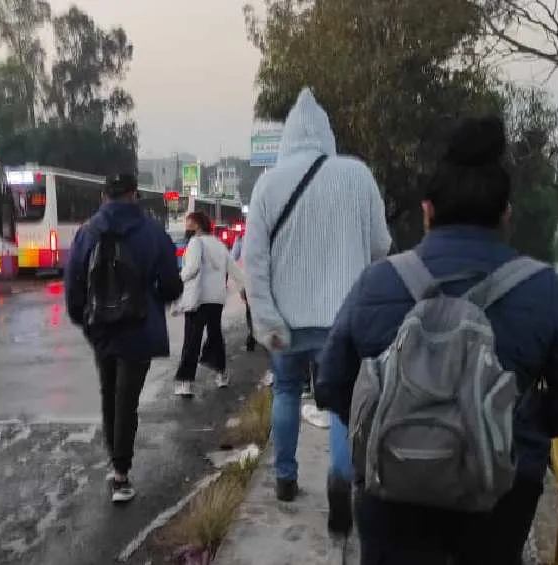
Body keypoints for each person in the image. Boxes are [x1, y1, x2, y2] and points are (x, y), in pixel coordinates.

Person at [316, 116, 558, 565]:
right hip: (500, 497)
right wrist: (520, 425)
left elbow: (329, 384)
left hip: (391, 489)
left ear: (427, 211)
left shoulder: (377, 284)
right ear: (506, 213)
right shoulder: (547, 293)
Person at [243, 87, 392, 544]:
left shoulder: (268, 183)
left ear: (287, 137)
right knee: (343, 402)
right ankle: (341, 482)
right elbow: (381, 247)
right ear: (327, 135)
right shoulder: (357, 175)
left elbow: (254, 262)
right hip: (343, 321)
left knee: (287, 391)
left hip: (287, 323)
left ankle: (285, 479)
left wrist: (266, 321)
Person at [65, 173, 183, 503]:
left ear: (104, 195)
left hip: (101, 327)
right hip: (139, 326)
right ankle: (120, 474)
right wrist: (155, 298)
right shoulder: (152, 232)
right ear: (135, 195)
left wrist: (85, 320)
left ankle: (116, 464)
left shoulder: (87, 232)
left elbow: (73, 283)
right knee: (127, 398)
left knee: (109, 391)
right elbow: (172, 284)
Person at [173, 211, 246, 396]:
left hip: (198, 299)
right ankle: (221, 375)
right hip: (216, 299)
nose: (186, 226)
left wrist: (177, 280)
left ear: (197, 225)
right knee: (215, 337)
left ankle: (186, 382)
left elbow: (192, 268)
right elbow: (234, 269)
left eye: (188, 223)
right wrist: (245, 287)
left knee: (192, 340)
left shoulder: (196, 242)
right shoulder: (219, 244)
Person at [230, 234, 257, 352]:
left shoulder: (242, 238)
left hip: (249, 280)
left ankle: (252, 334)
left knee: (250, 309)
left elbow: (233, 258)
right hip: (260, 279)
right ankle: (256, 334)